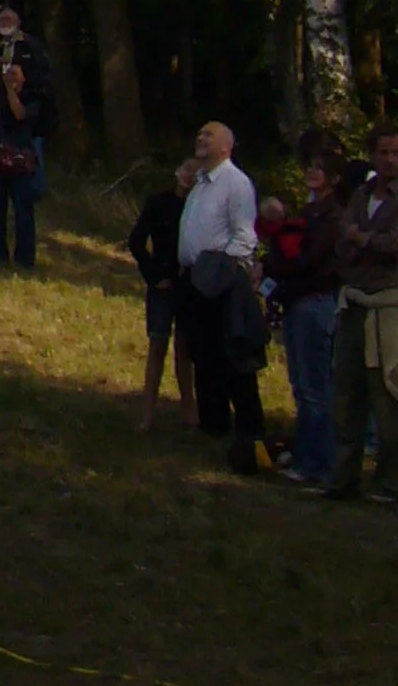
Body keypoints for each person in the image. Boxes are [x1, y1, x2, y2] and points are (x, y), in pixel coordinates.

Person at [175, 120, 270, 473]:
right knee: (204, 357)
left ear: (226, 146)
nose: (200, 138)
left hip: (221, 282)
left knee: (233, 361)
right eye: (199, 133)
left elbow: (245, 236)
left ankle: (250, 436)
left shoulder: (235, 183)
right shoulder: (201, 183)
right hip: (194, 280)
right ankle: (213, 428)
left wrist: (220, 271)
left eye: (209, 135)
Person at [324, 122, 398, 508]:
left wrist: (364, 239)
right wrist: (358, 243)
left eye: (396, 153)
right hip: (354, 301)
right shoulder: (361, 194)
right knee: (346, 392)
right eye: (383, 152)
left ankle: (390, 481)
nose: (389, 160)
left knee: (388, 394)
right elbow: (342, 238)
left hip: (390, 307)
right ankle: (344, 476)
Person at [268, 135, 345, 486]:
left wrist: (280, 267)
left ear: (334, 178)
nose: (312, 173)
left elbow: (309, 260)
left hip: (315, 301)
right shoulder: (308, 212)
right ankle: (305, 456)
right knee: (300, 385)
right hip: (297, 301)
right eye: (311, 167)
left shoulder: (333, 217)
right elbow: (284, 248)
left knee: (316, 388)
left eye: (320, 169)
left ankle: (320, 464)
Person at [0, 7, 54, 273]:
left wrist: (11, 90)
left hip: (21, 157)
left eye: (15, 73)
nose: (10, 76)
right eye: (8, 72)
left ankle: (24, 260)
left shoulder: (33, 98)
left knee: (23, 210)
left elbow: (20, 114)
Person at [125, 158, 197, 430]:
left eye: (195, 173)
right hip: (162, 283)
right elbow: (136, 241)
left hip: (189, 285)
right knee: (157, 345)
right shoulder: (158, 203)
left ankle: (190, 412)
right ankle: (147, 415)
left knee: (185, 350)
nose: (188, 176)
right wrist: (153, 275)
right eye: (186, 170)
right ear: (177, 172)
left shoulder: (199, 208)